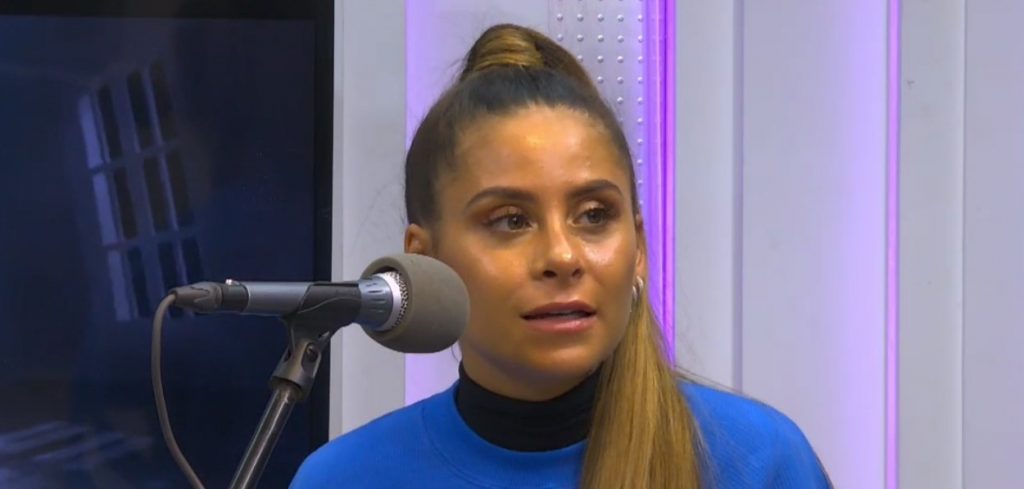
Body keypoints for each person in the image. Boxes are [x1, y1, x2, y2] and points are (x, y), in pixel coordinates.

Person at [291, 24, 830, 489]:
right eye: (511, 220)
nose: (563, 255)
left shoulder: (757, 461)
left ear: (638, 249)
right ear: (425, 264)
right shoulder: (344, 478)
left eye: (594, 215)